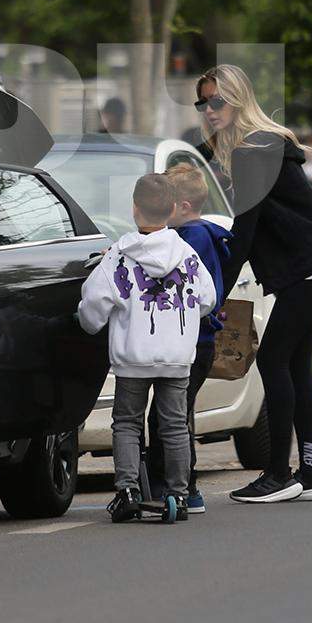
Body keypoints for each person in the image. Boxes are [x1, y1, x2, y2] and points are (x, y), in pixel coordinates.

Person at [195, 64, 312, 504]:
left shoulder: (252, 149)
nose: (209, 110)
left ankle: (279, 474)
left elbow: (245, 230)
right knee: (296, 366)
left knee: (273, 362)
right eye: (203, 102)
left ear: (238, 99)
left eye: (217, 100)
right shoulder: (261, 145)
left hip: (308, 266)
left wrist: (213, 295)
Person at [76, 172, 217, 523]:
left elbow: (93, 306)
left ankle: (127, 491)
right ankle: (179, 494)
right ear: (172, 209)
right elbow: (208, 299)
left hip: (131, 357)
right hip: (176, 357)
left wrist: (88, 323)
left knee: (126, 422)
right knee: (174, 426)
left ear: (134, 209)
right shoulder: (187, 256)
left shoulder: (119, 256)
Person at [146, 161, 232, 515]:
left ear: (181, 207)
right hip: (197, 341)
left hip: (192, 341)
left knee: (167, 416)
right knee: (178, 413)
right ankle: (186, 486)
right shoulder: (199, 234)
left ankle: (176, 486)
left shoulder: (191, 238)